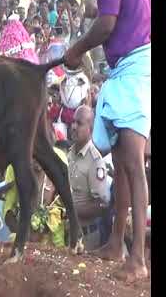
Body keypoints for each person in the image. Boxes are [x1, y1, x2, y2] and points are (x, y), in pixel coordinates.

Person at [64, 0, 150, 282]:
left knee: (133, 163)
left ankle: (139, 258)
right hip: (132, 63)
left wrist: (76, 48)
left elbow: (107, 24)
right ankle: (116, 242)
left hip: (132, 65)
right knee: (120, 157)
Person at [68, 106, 110, 251]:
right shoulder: (69, 154)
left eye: (79, 123)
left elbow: (102, 205)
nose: (73, 126)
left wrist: (71, 210)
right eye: (73, 122)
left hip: (87, 237)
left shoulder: (95, 161)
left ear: (91, 128)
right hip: (67, 233)